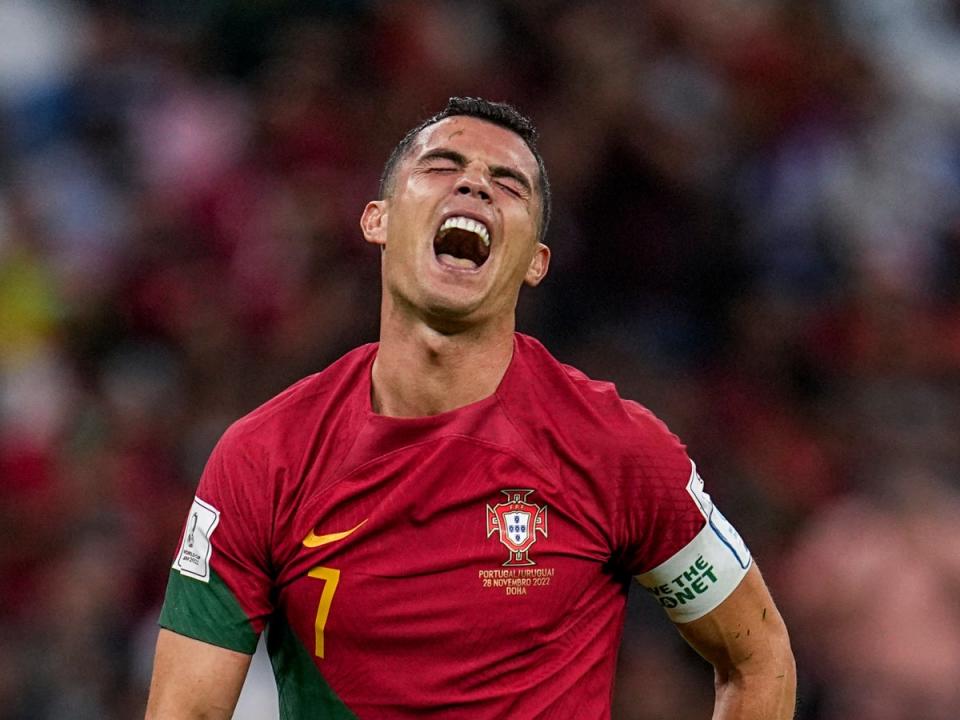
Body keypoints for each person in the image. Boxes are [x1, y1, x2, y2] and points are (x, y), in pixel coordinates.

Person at [145, 97, 795, 719]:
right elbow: (186, 710)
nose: (476, 186)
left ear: (536, 262)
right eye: (441, 167)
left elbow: (758, 659)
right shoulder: (264, 458)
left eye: (508, 184)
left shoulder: (617, 449)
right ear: (378, 219)